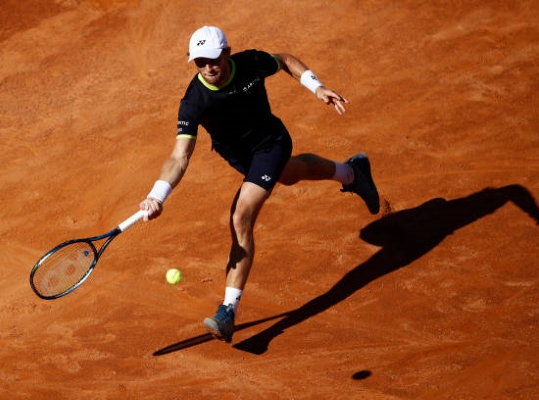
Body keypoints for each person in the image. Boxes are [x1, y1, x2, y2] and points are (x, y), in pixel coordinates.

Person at [140, 26, 380, 343]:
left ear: (226, 53)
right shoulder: (194, 101)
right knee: (291, 174)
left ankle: (228, 311)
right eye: (199, 62)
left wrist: (317, 87)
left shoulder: (250, 63)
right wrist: (157, 195)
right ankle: (352, 172)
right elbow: (179, 157)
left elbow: (283, 60)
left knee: (241, 216)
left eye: (213, 59)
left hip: (270, 143)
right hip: (240, 155)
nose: (207, 68)